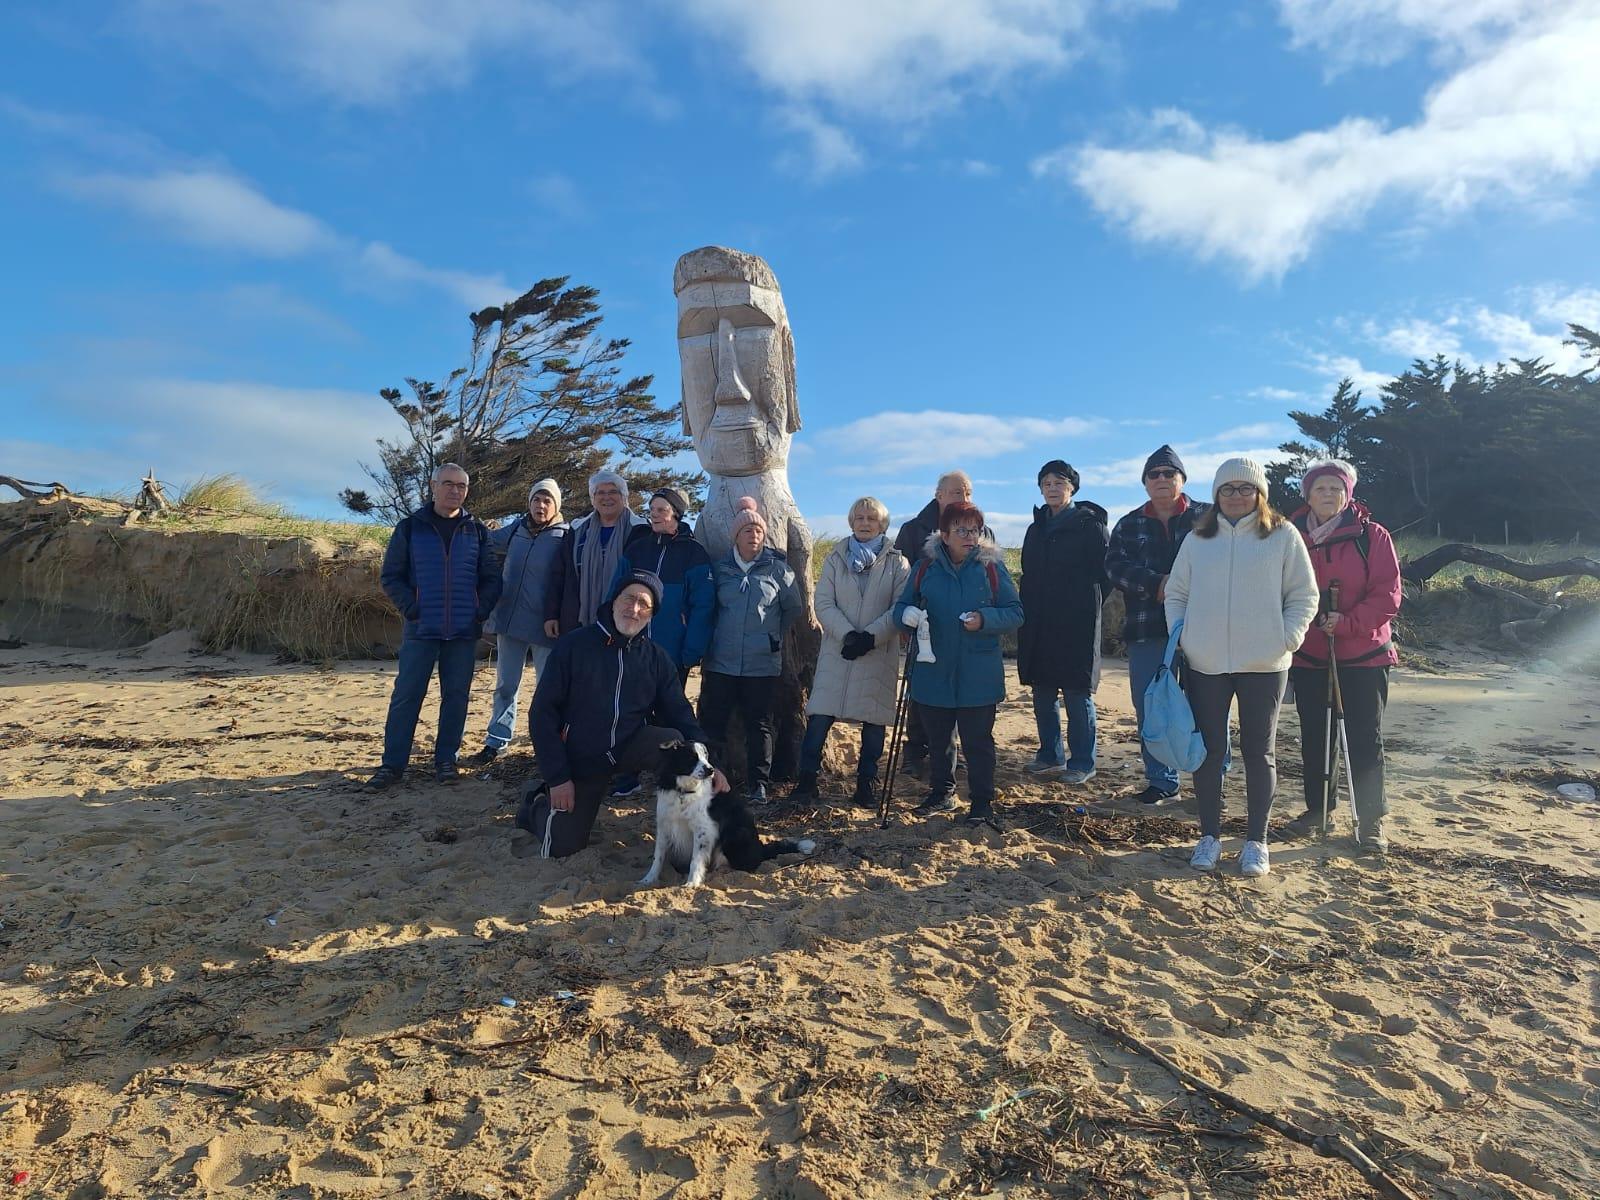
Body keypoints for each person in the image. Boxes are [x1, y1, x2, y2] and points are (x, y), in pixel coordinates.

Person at [1165, 458, 1318, 877]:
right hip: (1206, 662)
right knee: (1209, 753)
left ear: (1260, 494)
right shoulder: (1198, 538)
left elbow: (1304, 595)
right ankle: (1209, 836)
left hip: (1265, 663)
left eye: (1244, 488)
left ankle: (1256, 841)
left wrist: (1286, 638)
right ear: (1215, 495)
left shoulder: (1283, 535)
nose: (1236, 495)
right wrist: (1182, 636)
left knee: (1258, 751)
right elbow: (1176, 592)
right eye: (1227, 488)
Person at [522, 570, 729, 858]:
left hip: (630, 746)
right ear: (613, 600)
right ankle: (535, 802)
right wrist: (557, 778)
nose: (634, 609)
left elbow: (680, 713)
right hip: (581, 756)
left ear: (652, 613)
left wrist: (711, 764)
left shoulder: (655, 657)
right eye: (629, 598)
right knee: (563, 846)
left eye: (644, 604)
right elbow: (541, 715)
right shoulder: (573, 646)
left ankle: (683, 835)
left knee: (673, 739)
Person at [1284, 460, 1402, 853]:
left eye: (1337, 488)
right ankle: (1318, 810)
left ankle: (1370, 820)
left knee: (1364, 739)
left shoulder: (1372, 536)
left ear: (1348, 493)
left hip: (1365, 653)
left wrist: (1348, 622)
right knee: (1316, 737)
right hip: (1310, 653)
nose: (1328, 494)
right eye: (1321, 488)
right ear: (1308, 494)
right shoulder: (1289, 535)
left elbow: (1388, 594)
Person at [369, 462, 502, 789]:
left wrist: (477, 612)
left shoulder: (476, 530)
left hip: (462, 631)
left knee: (456, 698)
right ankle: (392, 765)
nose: (455, 491)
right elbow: (391, 576)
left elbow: (492, 578)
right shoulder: (410, 527)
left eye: (461, 486)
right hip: (421, 629)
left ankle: (446, 760)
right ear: (433, 485)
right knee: (407, 696)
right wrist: (412, 609)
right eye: (448, 484)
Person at [893, 502, 1024, 826]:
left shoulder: (991, 568)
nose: (970, 537)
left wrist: (984, 619)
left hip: (978, 673)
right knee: (938, 740)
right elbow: (902, 607)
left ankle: (981, 802)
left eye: (975, 530)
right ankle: (942, 793)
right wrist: (905, 616)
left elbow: (1015, 612)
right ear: (945, 534)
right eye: (962, 530)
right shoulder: (925, 568)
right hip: (933, 669)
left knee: (978, 742)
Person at [792, 497, 910, 808]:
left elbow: (900, 605)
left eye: (871, 518)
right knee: (818, 720)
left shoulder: (898, 562)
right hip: (838, 652)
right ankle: (806, 782)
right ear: (851, 521)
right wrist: (847, 635)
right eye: (859, 517)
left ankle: (866, 786)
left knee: (873, 725)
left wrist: (870, 637)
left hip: (876, 652)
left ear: (882, 523)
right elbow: (823, 603)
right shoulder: (835, 557)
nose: (865, 522)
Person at [1105, 445, 1207, 804]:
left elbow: (1228, 563)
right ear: (1145, 483)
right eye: (1154, 474)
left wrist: (1182, 585)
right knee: (1151, 705)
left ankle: (1212, 777)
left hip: (1206, 628)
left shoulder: (1209, 517)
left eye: (1169, 473)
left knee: (1208, 703)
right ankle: (1162, 780)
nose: (1162, 479)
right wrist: (1155, 584)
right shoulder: (1129, 523)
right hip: (1147, 627)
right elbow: (1114, 566)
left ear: (1182, 479)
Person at [699, 497, 803, 804]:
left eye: (758, 531)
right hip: (722, 661)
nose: (754, 535)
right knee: (714, 722)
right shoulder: (720, 570)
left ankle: (759, 783)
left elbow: (792, 609)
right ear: (736, 536)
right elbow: (710, 608)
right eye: (747, 531)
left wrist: (770, 636)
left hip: (761, 663)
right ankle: (712, 777)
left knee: (759, 724)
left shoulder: (778, 570)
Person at [891, 470, 990, 778]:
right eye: (958, 492)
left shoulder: (982, 530)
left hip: (965, 633)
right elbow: (901, 580)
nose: (965, 498)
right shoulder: (913, 529)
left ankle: (951, 754)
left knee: (960, 695)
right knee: (919, 697)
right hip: (923, 629)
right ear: (940, 495)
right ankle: (914, 752)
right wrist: (906, 624)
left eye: (969, 493)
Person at [1017, 459, 1109, 783]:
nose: (1052, 488)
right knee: (1042, 690)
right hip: (1039, 621)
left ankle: (1082, 761)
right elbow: (1028, 572)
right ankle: (1049, 754)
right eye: (1046, 483)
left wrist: (1085, 606)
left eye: (1059, 482)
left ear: (1072, 487)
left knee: (1076, 691)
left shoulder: (1090, 525)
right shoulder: (1035, 528)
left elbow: (1104, 576)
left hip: (1077, 622)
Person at [471, 479, 568, 764]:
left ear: (556, 505)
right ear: (529, 503)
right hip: (510, 619)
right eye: (536, 500)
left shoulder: (566, 534)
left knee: (548, 688)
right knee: (505, 685)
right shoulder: (516, 529)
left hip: (546, 624)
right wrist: (473, 524)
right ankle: (497, 741)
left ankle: (549, 742)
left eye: (547, 500)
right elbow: (486, 542)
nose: (541, 506)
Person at [615, 487, 714, 685]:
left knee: (667, 713)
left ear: (676, 513)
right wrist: (613, 635)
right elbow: (615, 594)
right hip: (632, 649)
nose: (654, 514)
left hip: (673, 654)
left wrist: (691, 651)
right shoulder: (637, 549)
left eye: (661, 510)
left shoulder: (694, 553)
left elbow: (704, 606)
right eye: (652, 509)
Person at [544, 470, 645, 637]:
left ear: (624, 497)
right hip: (577, 620)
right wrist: (551, 614)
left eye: (613, 492)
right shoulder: (577, 531)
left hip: (626, 620)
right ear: (593, 498)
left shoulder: (640, 531)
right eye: (600, 492)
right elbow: (559, 575)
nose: (606, 497)